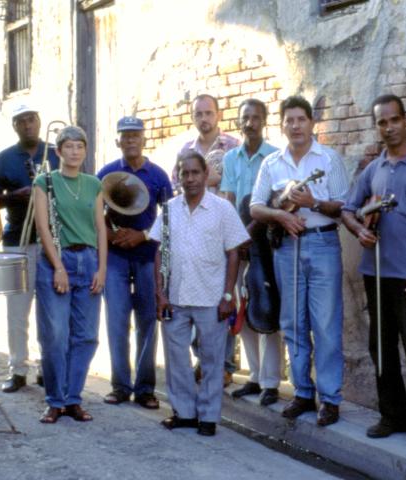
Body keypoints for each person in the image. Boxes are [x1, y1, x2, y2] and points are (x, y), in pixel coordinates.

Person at [341, 94, 406, 451]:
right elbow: (348, 210)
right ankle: (393, 416)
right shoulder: (373, 170)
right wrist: (360, 230)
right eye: (382, 122)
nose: (389, 127)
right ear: (377, 127)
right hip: (376, 274)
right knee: (381, 347)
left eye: (394, 120)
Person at [250, 95, 349, 427]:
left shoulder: (329, 158)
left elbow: (342, 206)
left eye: (300, 119)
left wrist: (313, 203)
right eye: (289, 120)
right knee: (293, 323)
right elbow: (255, 208)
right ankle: (303, 393)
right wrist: (280, 215)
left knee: (326, 324)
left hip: (322, 244)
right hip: (287, 249)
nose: (295, 126)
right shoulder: (272, 164)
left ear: (311, 123)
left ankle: (330, 398)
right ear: (282, 126)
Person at [151, 151, 249, 436]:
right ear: (179, 177)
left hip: (211, 298)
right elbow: (159, 251)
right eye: (185, 173)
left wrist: (228, 297)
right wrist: (160, 294)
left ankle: (208, 416)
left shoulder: (222, 209)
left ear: (206, 175)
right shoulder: (168, 209)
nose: (190, 178)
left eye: (195, 173)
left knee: (212, 359)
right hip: (175, 297)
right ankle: (184, 413)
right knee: (177, 358)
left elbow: (234, 254)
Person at [97, 116, 172, 409]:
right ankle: (119, 386)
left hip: (146, 256)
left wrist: (141, 235)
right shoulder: (106, 173)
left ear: (144, 139)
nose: (130, 140)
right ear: (118, 141)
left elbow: (168, 219)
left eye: (135, 135)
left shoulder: (159, 176)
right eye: (125, 136)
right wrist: (112, 235)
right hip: (115, 257)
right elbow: (95, 215)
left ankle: (145, 388)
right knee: (116, 321)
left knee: (146, 322)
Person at [33, 126, 107, 424]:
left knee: (86, 336)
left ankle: (73, 398)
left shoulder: (94, 184)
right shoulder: (45, 182)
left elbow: (101, 229)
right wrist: (59, 267)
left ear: (85, 151)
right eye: (69, 146)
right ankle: (55, 400)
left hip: (88, 260)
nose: (75, 152)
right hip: (57, 260)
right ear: (59, 151)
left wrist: (101, 269)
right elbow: (43, 228)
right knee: (55, 335)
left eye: (80, 146)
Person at [0, 103, 59, 392]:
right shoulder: (4, 159)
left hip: (54, 241)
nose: (28, 124)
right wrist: (16, 195)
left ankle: (48, 368)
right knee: (17, 310)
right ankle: (17, 369)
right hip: (18, 239)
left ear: (39, 121)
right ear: (15, 126)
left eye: (32, 119)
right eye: (21, 121)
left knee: (51, 309)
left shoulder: (56, 152)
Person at [220, 99, 284, 406]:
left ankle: (272, 381)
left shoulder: (274, 156)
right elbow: (229, 198)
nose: (250, 123)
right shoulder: (231, 158)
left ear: (264, 120)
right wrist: (233, 238)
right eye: (245, 118)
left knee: (267, 305)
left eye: (256, 118)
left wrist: (249, 234)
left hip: (265, 242)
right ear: (238, 122)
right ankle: (255, 377)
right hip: (239, 241)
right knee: (243, 310)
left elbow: (275, 201)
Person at [177, 94, 240, 385]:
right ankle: (202, 357)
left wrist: (212, 181)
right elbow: (177, 186)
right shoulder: (185, 150)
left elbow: (236, 185)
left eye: (208, 113)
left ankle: (225, 364)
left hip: (221, 229)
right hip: (193, 233)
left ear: (218, 114)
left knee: (224, 298)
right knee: (194, 297)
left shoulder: (232, 147)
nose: (204, 118)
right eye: (198, 114)